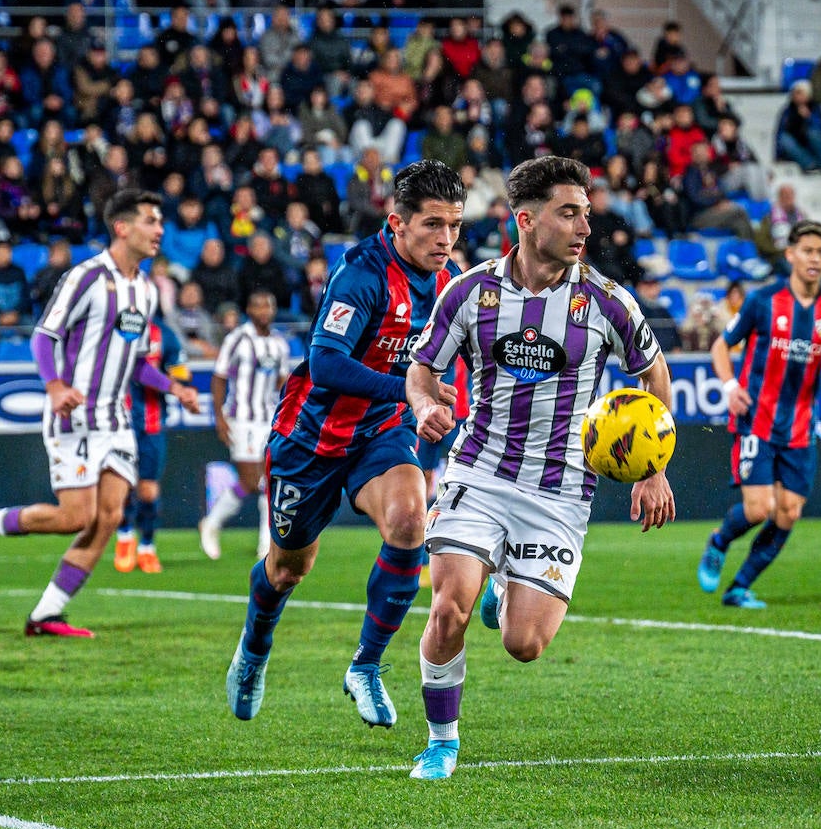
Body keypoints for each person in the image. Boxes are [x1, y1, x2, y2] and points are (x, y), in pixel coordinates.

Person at [404, 154, 676, 779]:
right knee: (449, 607)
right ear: (525, 220)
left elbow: (652, 378)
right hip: (478, 471)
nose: (585, 227)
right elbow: (424, 368)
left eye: (587, 213)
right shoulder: (470, 291)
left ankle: (506, 590)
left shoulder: (609, 302)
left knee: (523, 645)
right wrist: (423, 405)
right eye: (569, 212)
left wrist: (653, 467)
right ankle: (442, 741)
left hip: (559, 494)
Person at [225, 160, 467, 729]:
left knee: (411, 522)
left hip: (381, 429)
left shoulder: (449, 282)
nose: (446, 239)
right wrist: (411, 391)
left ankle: (366, 665)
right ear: (398, 223)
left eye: (454, 225)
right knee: (287, 570)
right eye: (433, 224)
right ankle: (253, 653)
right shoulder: (361, 272)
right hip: (310, 435)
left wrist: (434, 400)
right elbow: (328, 363)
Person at [0, 190, 200, 637]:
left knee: (107, 518)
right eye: (150, 220)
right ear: (122, 227)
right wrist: (54, 385)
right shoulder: (86, 277)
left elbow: (139, 361)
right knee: (75, 517)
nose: (160, 229)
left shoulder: (145, 291)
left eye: (161, 221)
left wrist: (174, 388)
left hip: (116, 421)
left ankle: (47, 613)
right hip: (75, 417)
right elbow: (43, 336)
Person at [697, 221, 821, 610]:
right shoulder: (763, 301)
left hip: (800, 426)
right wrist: (731, 387)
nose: (815, 258)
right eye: (808, 250)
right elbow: (721, 346)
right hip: (757, 419)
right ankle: (719, 541)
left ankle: (739, 587)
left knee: (789, 512)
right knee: (759, 508)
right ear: (791, 255)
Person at [200, 289, 291, 563]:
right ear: (249, 311)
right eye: (258, 306)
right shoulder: (237, 339)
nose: (264, 311)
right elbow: (218, 377)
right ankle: (212, 522)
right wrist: (218, 415)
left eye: (269, 305)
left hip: (268, 418)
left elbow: (281, 382)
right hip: (240, 417)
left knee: (269, 482)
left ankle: (266, 547)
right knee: (251, 481)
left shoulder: (279, 343)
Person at [113, 315, 188, 575]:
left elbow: (181, 370)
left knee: (147, 490)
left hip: (152, 423)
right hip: (117, 422)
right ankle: (124, 538)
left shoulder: (164, 334)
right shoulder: (113, 328)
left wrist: (178, 379)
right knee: (122, 486)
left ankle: (146, 546)